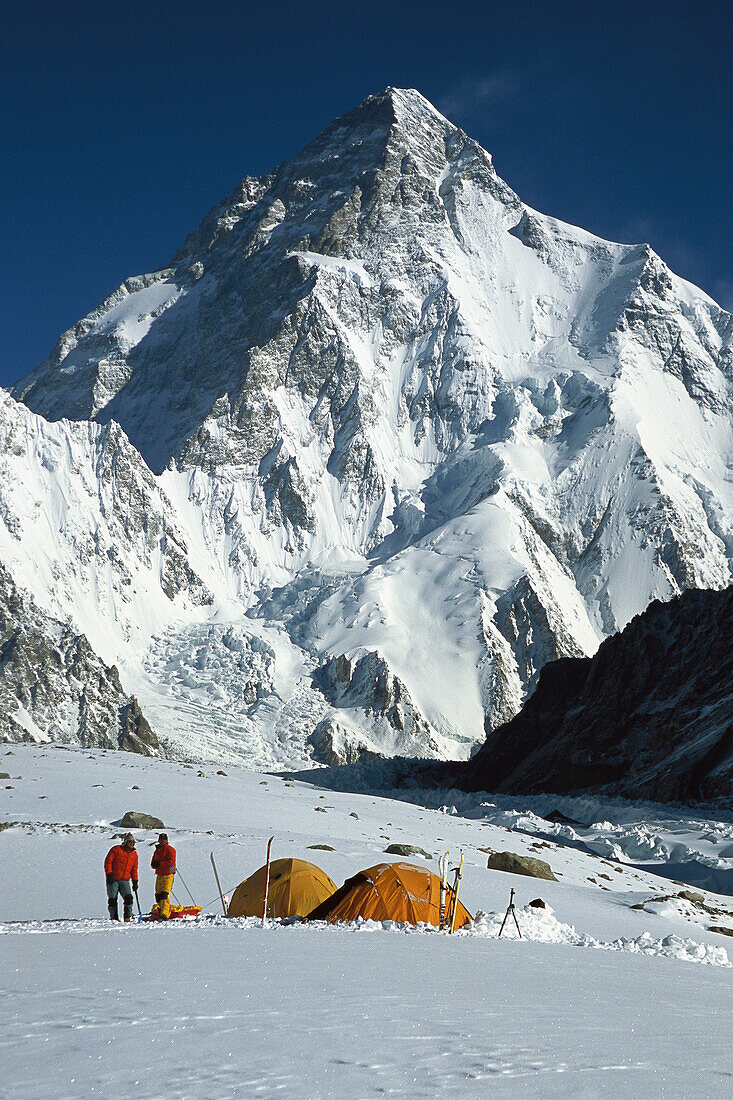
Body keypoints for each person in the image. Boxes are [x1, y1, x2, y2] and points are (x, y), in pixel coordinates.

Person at [104, 833, 139, 922]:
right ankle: (114, 918)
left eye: (133, 842)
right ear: (125, 842)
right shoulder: (116, 849)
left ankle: (127, 917)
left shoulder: (134, 854)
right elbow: (108, 862)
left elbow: (134, 869)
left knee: (129, 898)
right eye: (130, 842)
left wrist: (135, 881)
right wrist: (109, 874)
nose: (131, 844)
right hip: (113, 879)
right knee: (112, 899)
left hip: (125, 880)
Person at [151, 832, 176, 919]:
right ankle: (161, 911)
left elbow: (171, 862)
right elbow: (153, 862)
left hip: (168, 874)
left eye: (164, 839)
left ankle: (164, 914)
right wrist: (154, 864)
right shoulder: (157, 851)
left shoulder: (170, 850)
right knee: (158, 895)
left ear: (166, 840)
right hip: (159, 874)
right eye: (161, 839)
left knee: (164, 894)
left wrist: (160, 864)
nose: (162, 841)